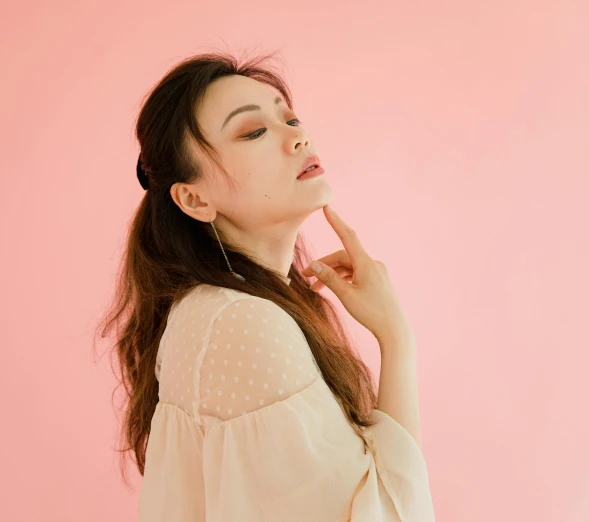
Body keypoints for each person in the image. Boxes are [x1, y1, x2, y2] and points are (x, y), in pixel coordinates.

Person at [97, 50, 435, 521]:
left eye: (290, 118)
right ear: (194, 198)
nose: (298, 136)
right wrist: (396, 339)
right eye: (253, 131)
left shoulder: (224, 308)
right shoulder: (239, 323)